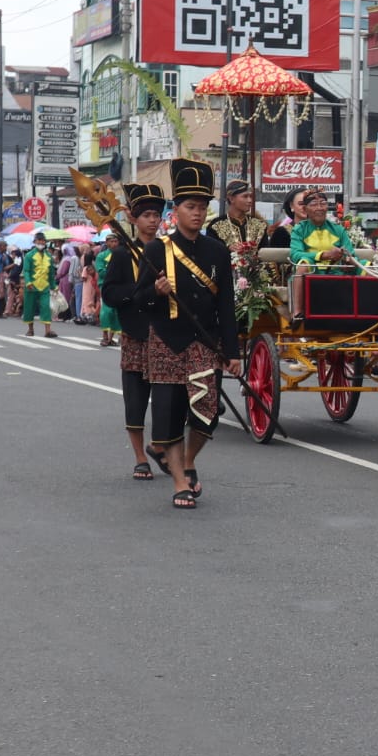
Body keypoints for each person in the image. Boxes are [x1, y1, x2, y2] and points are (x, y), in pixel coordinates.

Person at [141, 158, 241, 510]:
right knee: (168, 412)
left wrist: (233, 350)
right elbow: (139, 301)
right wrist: (155, 290)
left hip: (204, 339)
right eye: (190, 207)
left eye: (202, 207)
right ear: (177, 209)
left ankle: (187, 459)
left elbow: (226, 304)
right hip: (167, 340)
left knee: (208, 411)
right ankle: (180, 482)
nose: (197, 214)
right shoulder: (156, 250)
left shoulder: (217, 251)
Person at [101, 184, 166, 480]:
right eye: (147, 215)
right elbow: (110, 293)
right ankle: (140, 455)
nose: (152, 220)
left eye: (156, 215)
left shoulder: (168, 251)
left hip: (166, 333)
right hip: (136, 335)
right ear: (135, 220)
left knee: (169, 398)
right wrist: (140, 292)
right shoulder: (123, 255)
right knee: (136, 399)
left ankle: (162, 447)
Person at [287, 189, 355, 320]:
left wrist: (347, 260)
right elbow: (295, 254)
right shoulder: (299, 229)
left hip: (337, 272)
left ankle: (372, 313)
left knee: (367, 265)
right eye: (313, 204)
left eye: (323, 203)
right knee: (303, 264)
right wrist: (324, 255)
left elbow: (350, 253)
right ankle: (297, 313)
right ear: (305, 209)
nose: (319, 208)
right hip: (312, 272)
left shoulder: (338, 229)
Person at [205, 179, 268, 250]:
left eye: (251, 196)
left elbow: (266, 255)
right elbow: (211, 253)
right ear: (231, 199)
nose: (250, 200)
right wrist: (227, 249)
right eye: (245, 196)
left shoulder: (259, 226)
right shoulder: (216, 226)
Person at [20, 232, 59, 338]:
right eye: (39, 240)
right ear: (35, 242)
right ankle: (30, 329)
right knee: (29, 308)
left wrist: (54, 286)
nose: (41, 243)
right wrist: (28, 282)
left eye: (43, 241)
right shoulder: (29, 255)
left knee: (46, 307)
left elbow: (51, 273)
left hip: (44, 286)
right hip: (31, 286)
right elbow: (26, 271)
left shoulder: (49, 256)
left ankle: (48, 330)